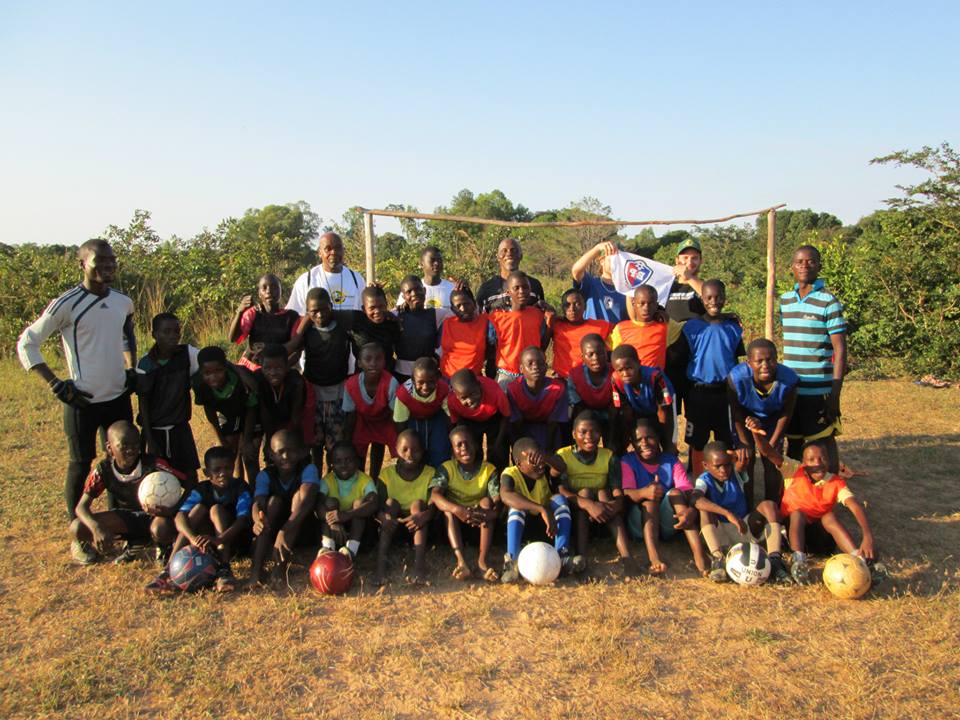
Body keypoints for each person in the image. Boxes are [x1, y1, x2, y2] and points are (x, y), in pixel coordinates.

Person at [17, 238, 136, 534]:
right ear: (82, 264)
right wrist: (55, 383)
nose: (107, 267)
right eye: (99, 261)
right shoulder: (68, 303)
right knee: (80, 465)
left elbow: (127, 334)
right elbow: (27, 342)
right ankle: (78, 533)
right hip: (82, 400)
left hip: (118, 397)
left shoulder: (123, 301)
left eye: (112, 262)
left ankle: (118, 524)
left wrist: (132, 367)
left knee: (120, 463)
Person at [763, 439, 879, 585]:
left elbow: (854, 505)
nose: (817, 463)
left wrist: (867, 535)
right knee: (797, 513)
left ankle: (860, 560)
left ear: (829, 461)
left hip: (820, 541)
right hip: (791, 537)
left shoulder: (836, 482)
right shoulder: (793, 470)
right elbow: (768, 452)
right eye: (811, 459)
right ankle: (798, 562)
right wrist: (755, 433)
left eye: (822, 458)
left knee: (828, 516)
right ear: (803, 462)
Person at [69, 421, 184, 567]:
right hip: (127, 518)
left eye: (135, 445)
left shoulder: (153, 464)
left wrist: (173, 510)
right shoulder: (103, 470)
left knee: (161, 528)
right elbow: (81, 507)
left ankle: (163, 546)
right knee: (77, 527)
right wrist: (96, 528)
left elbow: (190, 483)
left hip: (155, 517)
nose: (131, 450)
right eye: (124, 446)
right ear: (110, 448)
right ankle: (136, 543)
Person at [779, 245, 847, 471]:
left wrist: (834, 394)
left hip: (818, 390)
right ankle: (797, 495)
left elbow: (840, 349)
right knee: (794, 443)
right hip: (792, 389)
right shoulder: (786, 300)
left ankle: (832, 492)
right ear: (792, 267)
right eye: (800, 262)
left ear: (819, 266)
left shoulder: (829, 301)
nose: (804, 266)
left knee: (822, 443)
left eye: (810, 262)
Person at [691, 441, 790, 583]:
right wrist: (728, 514)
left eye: (726, 464)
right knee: (704, 509)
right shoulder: (703, 480)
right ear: (706, 465)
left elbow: (742, 461)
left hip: (744, 528)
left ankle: (775, 559)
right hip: (721, 534)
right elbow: (695, 499)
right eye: (717, 466)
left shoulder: (736, 473)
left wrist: (739, 453)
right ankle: (718, 560)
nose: (723, 470)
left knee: (769, 505)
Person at [673, 279, 744, 475]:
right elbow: (680, 358)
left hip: (725, 393)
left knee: (726, 439)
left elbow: (736, 360)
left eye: (718, 297)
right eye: (709, 297)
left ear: (725, 298)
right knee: (697, 441)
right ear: (702, 300)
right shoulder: (691, 328)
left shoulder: (733, 328)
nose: (714, 301)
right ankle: (697, 481)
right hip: (699, 393)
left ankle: (728, 481)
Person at [620, 418, 706, 576]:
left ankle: (700, 557)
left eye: (649, 437)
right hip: (639, 525)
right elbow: (626, 494)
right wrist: (643, 493)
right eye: (638, 440)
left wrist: (691, 510)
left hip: (669, 525)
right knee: (650, 499)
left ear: (658, 438)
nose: (644, 443)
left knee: (676, 493)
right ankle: (654, 557)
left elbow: (687, 491)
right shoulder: (628, 461)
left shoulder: (671, 461)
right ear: (632, 443)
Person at [165, 446, 252, 593]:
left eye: (227, 468)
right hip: (208, 541)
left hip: (234, 541)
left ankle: (224, 568)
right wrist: (193, 538)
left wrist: (220, 540)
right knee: (198, 509)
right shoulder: (202, 489)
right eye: (216, 470)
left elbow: (242, 520)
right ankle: (167, 570)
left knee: (216, 510)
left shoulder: (241, 487)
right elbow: (180, 516)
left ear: (233, 468)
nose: (222, 473)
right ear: (207, 473)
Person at [284, 287, 351, 473]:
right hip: (313, 394)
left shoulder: (342, 327)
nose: (320, 315)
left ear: (331, 306)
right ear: (308, 312)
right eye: (314, 311)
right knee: (315, 443)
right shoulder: (306, 331)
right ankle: (315, 481)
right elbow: (293, 349)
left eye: (324, 309)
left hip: (338, 393)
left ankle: (332, 481)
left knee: (335, 443)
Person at [556, 411, 632, 571]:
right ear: (574, 434)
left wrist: (617, 503)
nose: (589, 436)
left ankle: (627, 558)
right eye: (583, 432)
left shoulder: (609, 456)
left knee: (604, 494)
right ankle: (581, 557)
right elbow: (561, 490)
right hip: (576, 509)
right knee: (585, 492)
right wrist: (588, 504)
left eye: (595, 431)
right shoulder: (563, 455)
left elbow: (617, 489)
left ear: (601, 433)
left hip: (603, 511)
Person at [727, 338, 799, 505]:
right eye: (759, 361)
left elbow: (786, 413)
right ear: (749, 362)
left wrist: (772, 444)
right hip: (745, 420)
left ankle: (772, 505)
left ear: (777, 359)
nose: (765, 365)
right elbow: (735, 411)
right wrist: (744, 442)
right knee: (746, 459)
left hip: (774, 419)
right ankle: (747, 505)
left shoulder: (789, 380)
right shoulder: (736, 378)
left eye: (770, 359)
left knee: (773, 462)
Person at [499, 437, 576, 582]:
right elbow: (505, 495)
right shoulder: (510, 473)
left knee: (560, 500)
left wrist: (545, 457)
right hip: (523, 528)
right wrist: (541, 509)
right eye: (533, 460)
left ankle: (562, 555)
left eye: (540, 458)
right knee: (516, 508)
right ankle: (511, 562)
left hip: (548, 528)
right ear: (519, 463)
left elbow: (561, 467)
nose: (540, 465)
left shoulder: (544, 469)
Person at [249, 429, 320, 586]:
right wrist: (257, 520)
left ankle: (280, 567)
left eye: (292, 451)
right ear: (271, 454)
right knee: (273, 503)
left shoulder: (308, 469)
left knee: (297, 499)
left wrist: (284, 530)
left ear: (302, 452)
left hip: (302, 527)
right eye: (280, 452)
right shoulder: (265, 475)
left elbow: (307, 501)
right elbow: (258, 502)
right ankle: (256, 571)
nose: (286, 457)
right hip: (274, 530)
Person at [429, 426, 500, 581]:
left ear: (476, 445)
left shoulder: (489, 470)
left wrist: (484, 513)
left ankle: (482, 562)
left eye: (468, 443)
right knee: (448, 510)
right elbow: (435, 496)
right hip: (453, 526)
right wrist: (458, 510)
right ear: (452, 450)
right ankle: (461, 562)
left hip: (479, 525)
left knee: (486, 502)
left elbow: (498, 505)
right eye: (459, 445)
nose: (464, 448)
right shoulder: (446, 468)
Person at [136, 312, 201, 483]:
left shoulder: (188, 354)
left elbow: (213, 360)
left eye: (176, 331)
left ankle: (189, 509)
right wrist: (150, 439)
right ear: (154, 335)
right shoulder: (145, 364)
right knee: (156, 481)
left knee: (190, 477)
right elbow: (143, 404)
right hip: (155, 432)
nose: (173, 336)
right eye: (167, 332)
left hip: (180, 430)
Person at [373, 430, 436, 585]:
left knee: (418, 505)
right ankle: (380, 567)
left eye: (416, 450)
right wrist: (384, 518)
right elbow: (377, 506)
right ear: (396, 450)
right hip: (392, 526)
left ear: (423, 451)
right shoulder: (386, 474)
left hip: (420, 527)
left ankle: (419, 568)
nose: (410, 454)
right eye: (405, 449)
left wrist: (423, 516)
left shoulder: (430, 473)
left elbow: (434, 505)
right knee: (391, 503)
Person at [192, 346, 260, 487]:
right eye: (207, 373)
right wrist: (221, 440)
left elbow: (251, 409)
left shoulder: (240, 382)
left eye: (218, 371)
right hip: (229, 413)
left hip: (252, 413)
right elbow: (210, 414)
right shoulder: (200, 384)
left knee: (249, 455)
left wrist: (246, 440)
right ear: (201, 372)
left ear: (225, 368)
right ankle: (238, 488)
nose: (213, 377)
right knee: (229, 453)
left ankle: (255, 493)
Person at [664, 236, 706, 419]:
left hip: (695, 362)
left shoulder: (703, 286)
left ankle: (694, 449)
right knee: (669, 414)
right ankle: (670, 448)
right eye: (685, 257)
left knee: (695, 417)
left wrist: (689, 278)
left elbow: (710, 297)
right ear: (677, 261)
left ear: (700, 261)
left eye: (694, 258)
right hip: (669, 361)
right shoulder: (666, 286)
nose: (689, 262)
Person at [342, 342, 398, 480]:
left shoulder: (391, 383)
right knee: (358, 451)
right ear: (359, 363)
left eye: (378, 359)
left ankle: (375, 478)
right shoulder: (351, 384)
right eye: (368, 359)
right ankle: (360, 480)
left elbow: (395, 416)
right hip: (362, 420)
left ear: (384, 361)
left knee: (380, 447)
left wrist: (398, 439)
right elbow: (350, 416)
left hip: (385, 421)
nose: (373, 363)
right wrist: (347, 442)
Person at [317, 442, 379, 560]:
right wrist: (333, 522)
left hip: (358, 528)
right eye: (338, 461)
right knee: (330, 502)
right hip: (334, 528)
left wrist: (348, 514)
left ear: (357, 462)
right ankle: (328, 548)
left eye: (348, 460)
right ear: (331, 464)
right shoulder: (327, 480)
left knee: (359, 504)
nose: (343, 465)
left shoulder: (365, 480)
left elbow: (374, 503)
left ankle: (351, 551)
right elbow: (318, 504)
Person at [609, 344, 675, 455]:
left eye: (629, 368)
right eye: (620, 370)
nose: (625, 374)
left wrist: (666, 441)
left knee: (667, 447)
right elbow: (625, 411)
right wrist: (627, 437)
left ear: (639, 363)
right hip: (638, 411)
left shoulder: (655, 377)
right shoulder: (616, 380)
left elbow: (663, 411)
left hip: (661, 410)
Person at [488, 272, 549, 388]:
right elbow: (491, 344)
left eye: (525, 287)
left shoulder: (538, 315)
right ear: (508, 292)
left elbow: (541, 343)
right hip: (507, 373)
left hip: (533, 373)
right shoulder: (497, 317)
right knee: (506, 405)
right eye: (516, 288)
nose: (522, 291)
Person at [229, 273, 300, 371]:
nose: (269, 291)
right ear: (259, 293)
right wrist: (240, 312)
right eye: (264, 288)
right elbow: (235, 338)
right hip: (252, 368)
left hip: (279, 369)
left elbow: (297, 349)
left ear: (281, 291)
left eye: (274, 287)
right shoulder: (253, 313)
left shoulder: (291, 317)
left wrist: (283, 368)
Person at [446, 368, 510, 470]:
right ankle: (475, 478)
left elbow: (506, 416)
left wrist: (498, 441)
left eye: (473, 393)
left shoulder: (495, 391)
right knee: (472, 451)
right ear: (457, 396)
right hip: (468, 420)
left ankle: (498, 479)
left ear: (479, 386)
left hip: (493, 418)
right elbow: (455, 425)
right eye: (464, 398)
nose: (470, 400)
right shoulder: (452, 401)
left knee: (499, 453)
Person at [287, 231, 366, 314]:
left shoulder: (356, 279)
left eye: (338, 248)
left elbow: (365, 312)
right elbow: (293, 315)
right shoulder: (306, 281)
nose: (333, 252)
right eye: (328, 249)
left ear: (343, 251)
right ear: (319, 253)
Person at [506, 346, 568, 452]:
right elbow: (517, 422)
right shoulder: (513, 388)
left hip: (548, 430)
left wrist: (547, 450)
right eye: (530, 364)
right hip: (524, 429)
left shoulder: (558, 388)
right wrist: (524, 447)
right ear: (521, 369)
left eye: (540, 363)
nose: (535, 367)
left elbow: (553, 422)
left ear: (546, 366)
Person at [393, 357, 452, 467]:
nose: (425, 387)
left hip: (435, 417)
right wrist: (404, 443)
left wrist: (450, 439)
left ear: (438, 378)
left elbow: (450, 417)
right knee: (415, 450)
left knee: (440, 450)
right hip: (413, 419)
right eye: (420, 382)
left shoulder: (444, 389)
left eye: (431, 382)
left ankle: (439, 475)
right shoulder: (404, 394)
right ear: (412, 379)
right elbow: (400, 423)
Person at [609, 285, 681, 371]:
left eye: (650, 303)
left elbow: (686, 328)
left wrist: (667, 317)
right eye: (642, 303)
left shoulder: (664, 326)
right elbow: (610, 352)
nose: (646, 308)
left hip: (655, 381)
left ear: (656, 305)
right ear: (633, 303)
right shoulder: (621, 328)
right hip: (630, 380)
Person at [547, 288, 612, 379]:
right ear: (563, 308)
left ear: (585, 306)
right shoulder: (557, 325)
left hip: (590, 379)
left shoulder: (601, 326)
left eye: (577, 304)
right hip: (563, 378)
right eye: (567, 305)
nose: (572, 309)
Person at [395, 276, 449, 381]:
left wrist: (463, 291)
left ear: (424, 291)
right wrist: (374, 289)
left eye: (418, 289)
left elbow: (462, 311)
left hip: (428, 376)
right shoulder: (396, 315)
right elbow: (376, 312)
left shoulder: (436, 314)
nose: (414, 294)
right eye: (409, 292)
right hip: (401, 376)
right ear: (403, 296)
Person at [337, 285, 403, 372]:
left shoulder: (392, 322)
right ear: (363, 309)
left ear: (386, 305)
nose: (377, 311)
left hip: (387, 378)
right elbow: (325, 312)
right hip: (362, 379)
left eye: (381, 306)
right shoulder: (355, 319)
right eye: (372, 308)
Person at [255, 343, 307, 449]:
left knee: (291, 449)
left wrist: (297, 444)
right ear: (261, 366)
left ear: (287, 366)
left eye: (278, 368)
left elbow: (295, 417)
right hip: (267, 421)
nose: (273, 373)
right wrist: (269, 443)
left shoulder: (296, 382)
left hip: (291, 419)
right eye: (267, 368)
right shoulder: (257, 379)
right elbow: (264, 414)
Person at [476, 237, 546, 312]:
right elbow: (479, 319)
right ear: (498, 257)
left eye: (514, 250)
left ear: (521, 256)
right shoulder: (486, 288)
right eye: (504, 251)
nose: (509, 253)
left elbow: (542, 314)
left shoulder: (534, 285)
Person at [567, 333, 614, 444]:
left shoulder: (615, 373)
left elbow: (617, 405)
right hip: (585, 412)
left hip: (611, 413)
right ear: (583, 357)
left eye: (600, 353)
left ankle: (615, 450)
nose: (596, 358)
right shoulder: (575, 375)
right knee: (569, 413)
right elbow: (578, 406)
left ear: (606, 354)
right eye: (590, 354)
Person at [570, 240, 629, 323]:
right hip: (593, 334)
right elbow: (576, 271)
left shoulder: (626, 289)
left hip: (616, 335)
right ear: (602, 261)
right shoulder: (591, 283)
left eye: (619, 260)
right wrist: (597, 248)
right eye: (612, 259)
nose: (616, 263)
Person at [439, 287, 490, 378]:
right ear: (453, 309)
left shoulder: (485, 321)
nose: (463, 308)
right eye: (458, 306)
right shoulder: (447, 323)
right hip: (447, 379)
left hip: (472, 380)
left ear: (474, 304)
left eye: (466, 304)